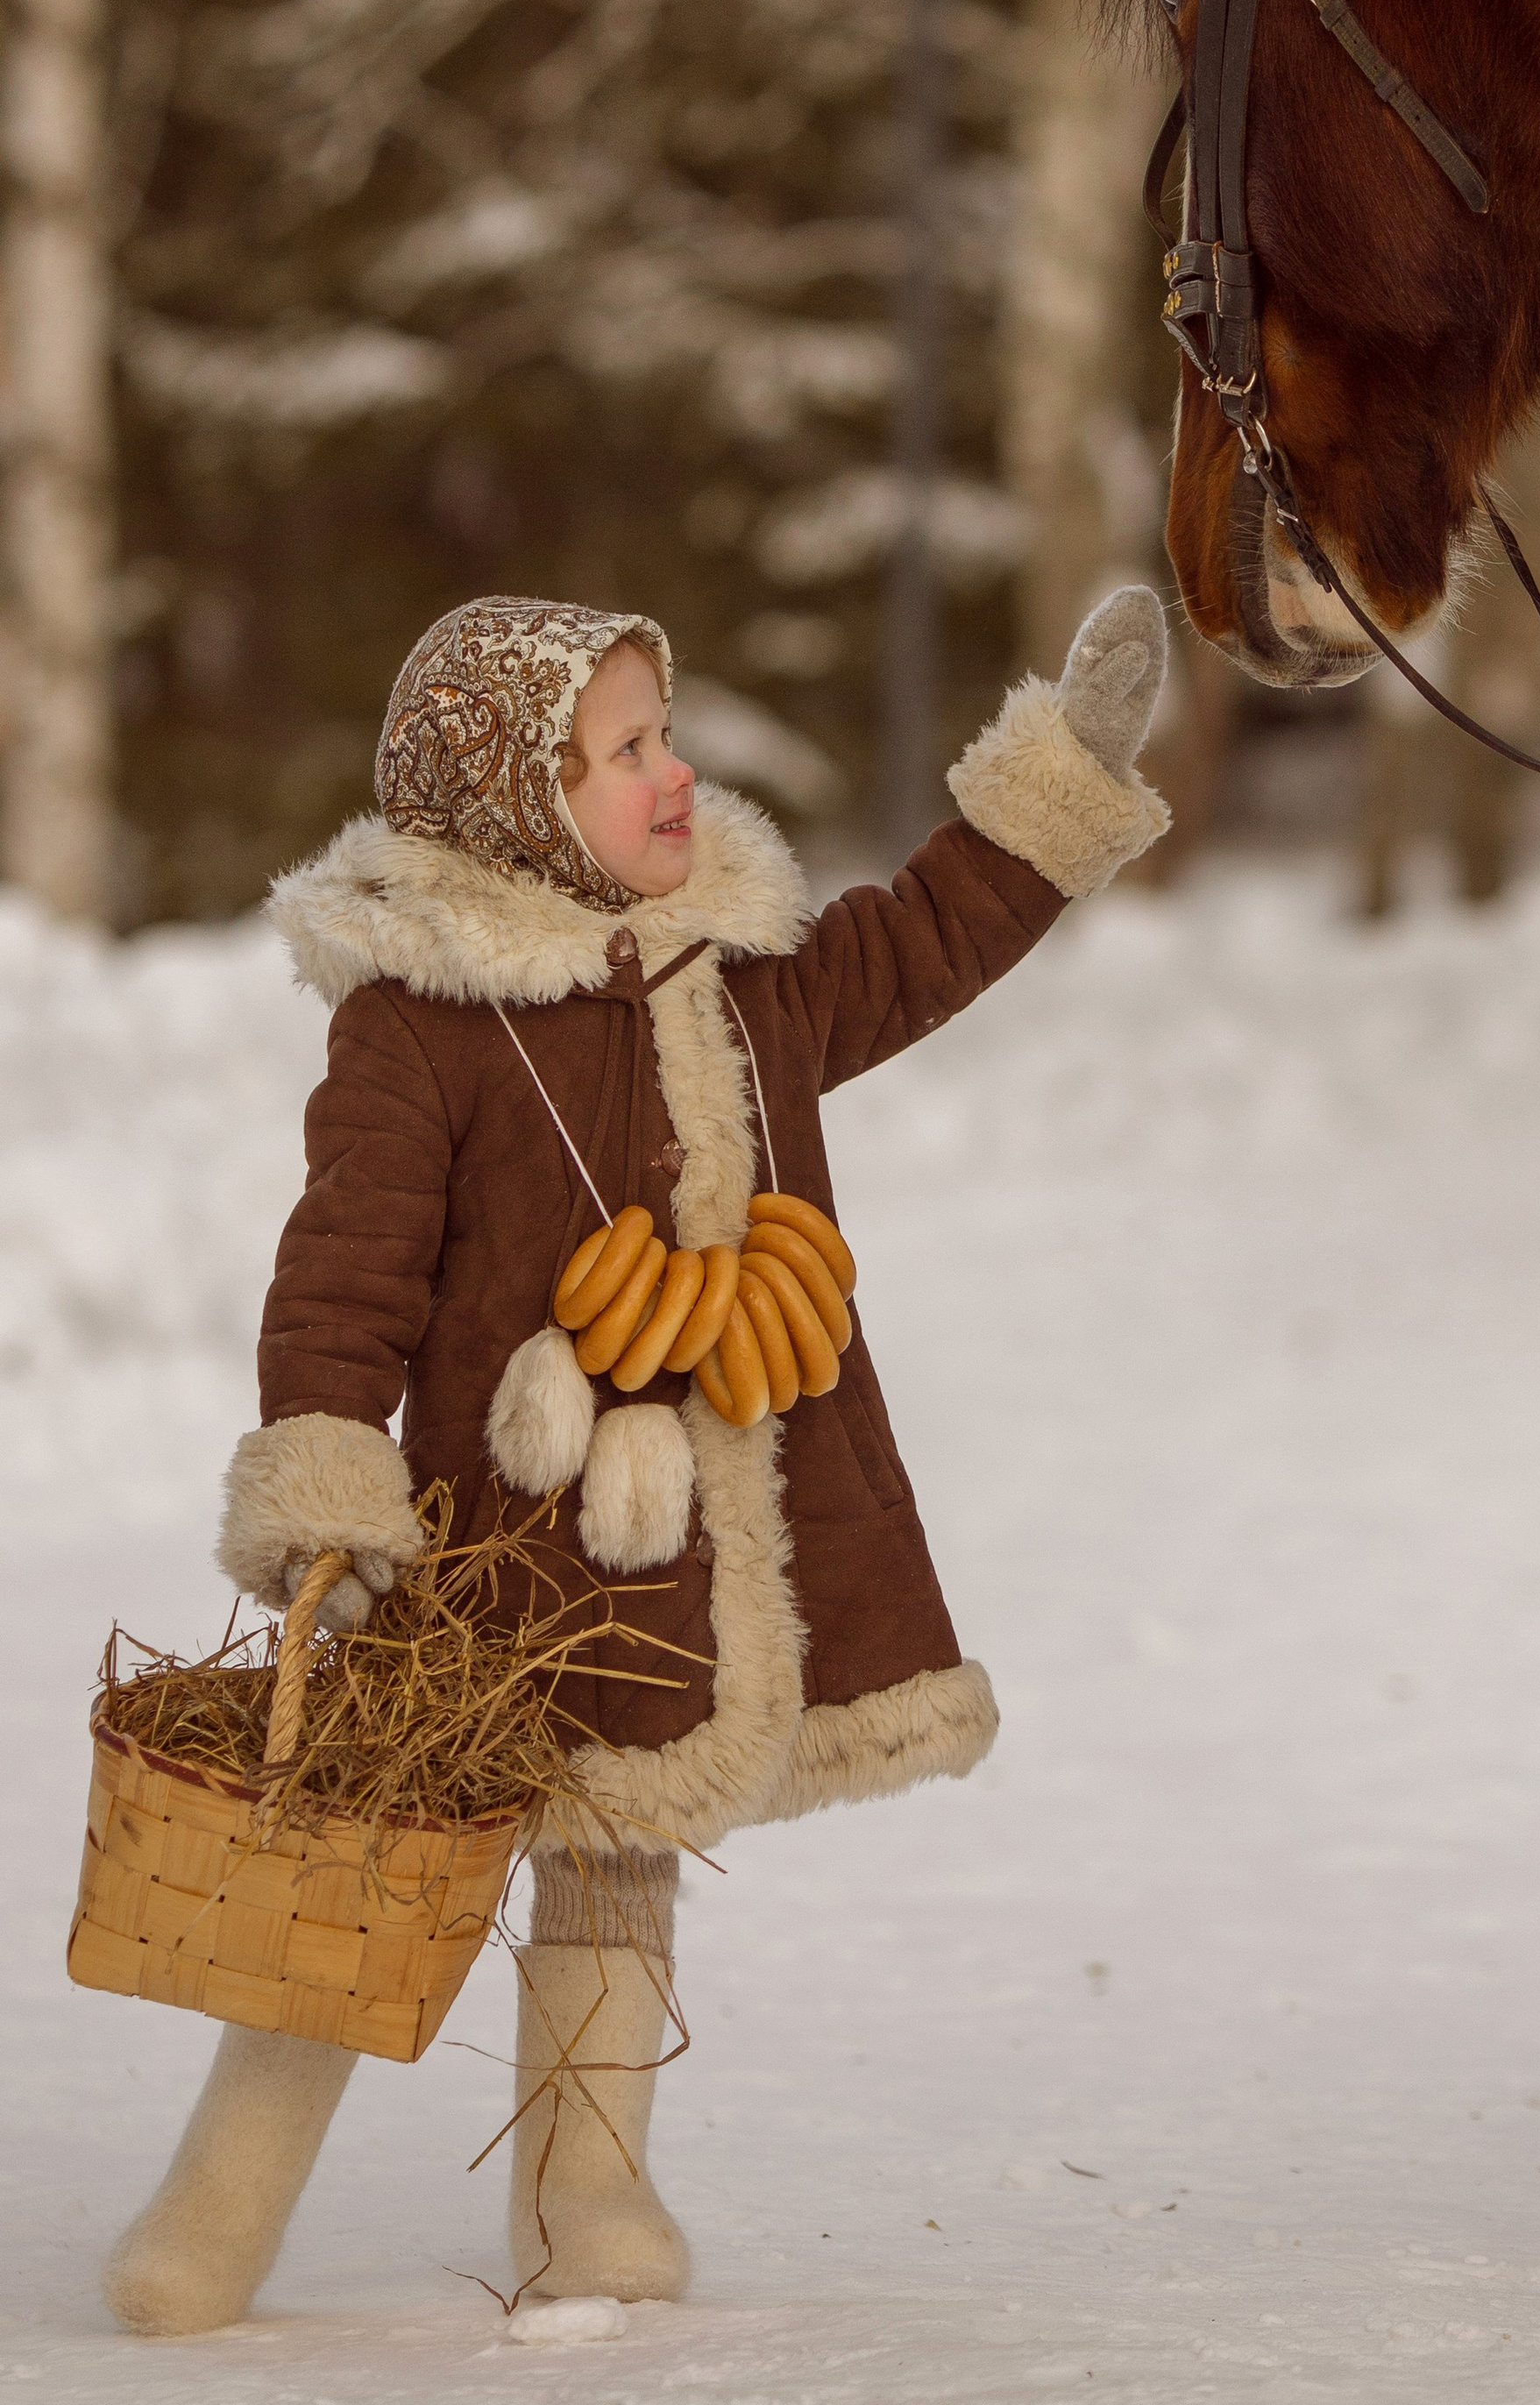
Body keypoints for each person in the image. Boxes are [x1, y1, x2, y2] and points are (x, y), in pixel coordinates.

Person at [103, 585, 1168, 2335]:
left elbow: (917, 941)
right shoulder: (421, 1024)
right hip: (482, 1541)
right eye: (625, 751)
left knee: (618, 1844)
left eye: (663, 736)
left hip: (668, 1543)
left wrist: (1061, 777)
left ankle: (587, 2192)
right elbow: (347, 1265)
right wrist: (326, 1476)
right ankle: (213, 2212)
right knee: (368, 1859)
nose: (675, 774)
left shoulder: (740, 978)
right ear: (520, 800)